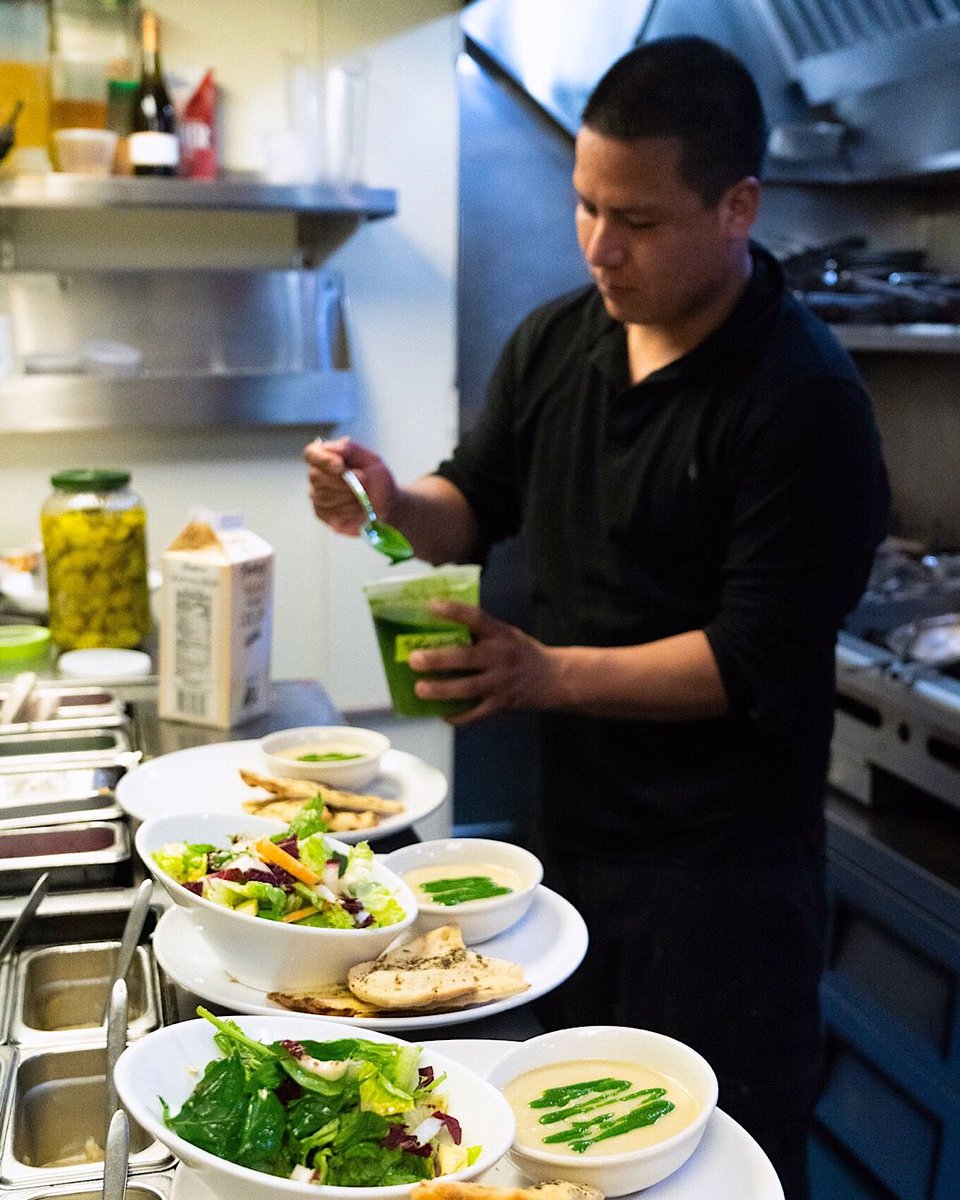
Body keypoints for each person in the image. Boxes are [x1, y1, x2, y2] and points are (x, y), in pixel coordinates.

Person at [304, 35, 890, 1200]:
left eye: (639, 219)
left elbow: (748, 656)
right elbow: (467, 505)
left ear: (739, 207)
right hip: (565, 860)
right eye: (582, 205)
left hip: (722, 885)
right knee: (552, 1163)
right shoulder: (559, 340)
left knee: (712, 1173)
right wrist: (387, 500)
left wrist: (541, 676)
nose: (599, 246)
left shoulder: (804, 401)